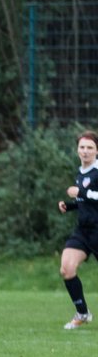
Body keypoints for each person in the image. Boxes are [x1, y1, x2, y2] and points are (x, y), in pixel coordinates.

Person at [59, 130, 98, 329]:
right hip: (83, 231)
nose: (85, 151)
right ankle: (82, 313)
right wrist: (71, 205)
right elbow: (88, 201)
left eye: (90, 147)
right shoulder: (81, 173)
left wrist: (80, 192)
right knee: (67, 268)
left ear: (97, 151)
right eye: (82, 147)